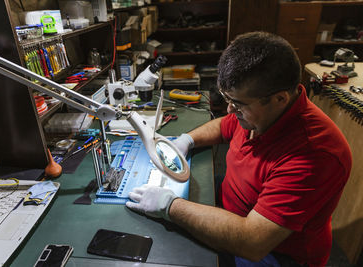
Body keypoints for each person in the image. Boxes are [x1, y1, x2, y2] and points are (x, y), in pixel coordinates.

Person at [125, 32, 352, 267]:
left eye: (238, 103)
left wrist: (169, 205)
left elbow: (252, 242)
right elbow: (225, 125)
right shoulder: (259, 114)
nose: (230, 109)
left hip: (275, 254)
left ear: (280, 99)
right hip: (235, 209)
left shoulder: (315, 154)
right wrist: (186, 140)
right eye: (227, 99)